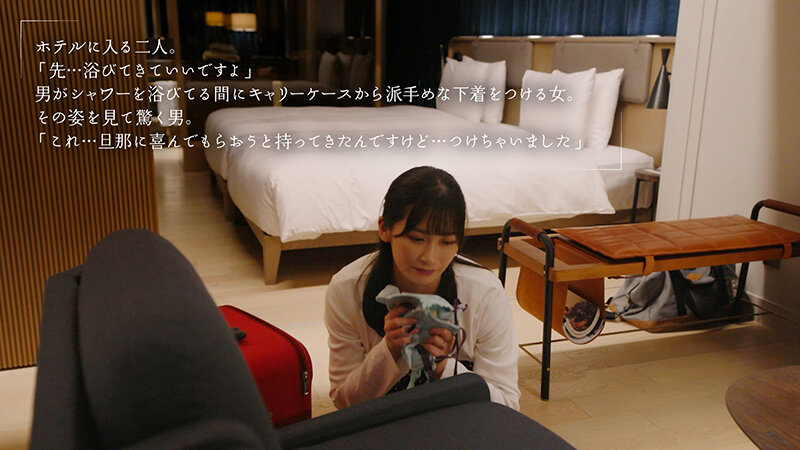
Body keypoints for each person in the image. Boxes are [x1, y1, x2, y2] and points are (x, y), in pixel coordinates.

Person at [324, 166, 520, 410]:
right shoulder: (347, 289)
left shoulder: (483, 292)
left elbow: (506, 405)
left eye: (447, 242)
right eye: (417, 239)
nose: (430, 257)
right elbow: (343, 402)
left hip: (459, 422)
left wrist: (442, 366)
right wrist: (389, 350)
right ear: (384, 228)